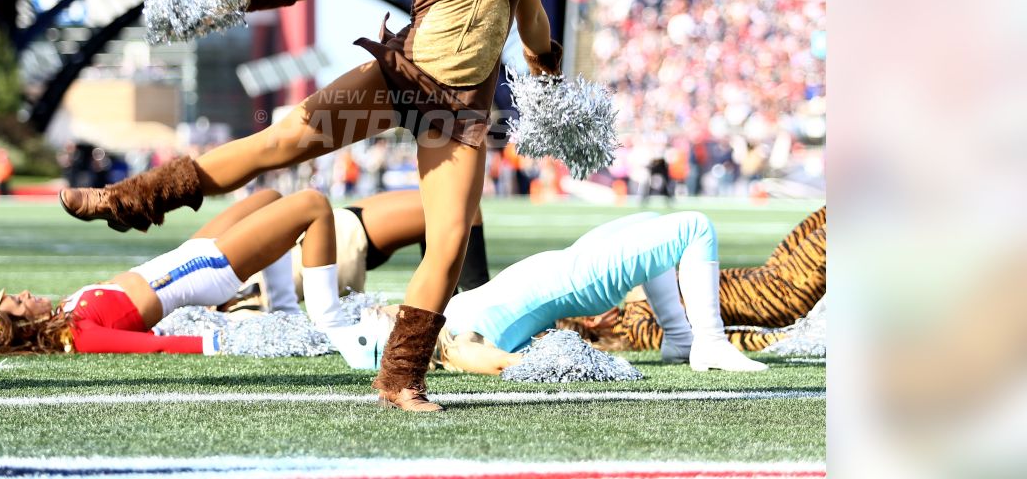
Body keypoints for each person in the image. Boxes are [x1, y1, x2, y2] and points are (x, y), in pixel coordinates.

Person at [57, 0, 559, 412]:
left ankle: (400, 380)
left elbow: (531, 22)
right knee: (278, 143)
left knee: (449, 242)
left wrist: (546, 69)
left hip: (456, 113)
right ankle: (129, 200)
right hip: (399, 80)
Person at [349, 211, 769, 376]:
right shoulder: (456, 345)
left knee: (652, 221)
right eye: (383, 314)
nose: (388, 305)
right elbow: (497, 364)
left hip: (575, 263)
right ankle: (710, 344)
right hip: (581, 279)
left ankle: (680, 340)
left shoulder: (444, 320)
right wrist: (582, 363)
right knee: (695, 228)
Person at [0, 189, 366, 355]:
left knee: (269, 198)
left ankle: (286, 311)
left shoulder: (66, 312)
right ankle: (328, 322)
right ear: (19, 326)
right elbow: (146, 346)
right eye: (19, 303)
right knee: (312, 204)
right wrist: (212, 344)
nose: (26, 294)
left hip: (189, 255)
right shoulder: (76, 334)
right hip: (208, 270)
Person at [564, 205, 826, 352]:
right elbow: (712, 339)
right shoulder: (638, 330)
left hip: (766, 276)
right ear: (593, 320)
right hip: (780, 294)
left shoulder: (632, 312)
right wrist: (779, 340)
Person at [227, 190, 490, 316]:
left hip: (329, 241)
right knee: (460, 210)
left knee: (454, 210)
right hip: (338, 241)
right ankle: (481, 310)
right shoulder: (217, 286)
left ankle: (455, 312)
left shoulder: (213, 292)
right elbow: (268, 198)